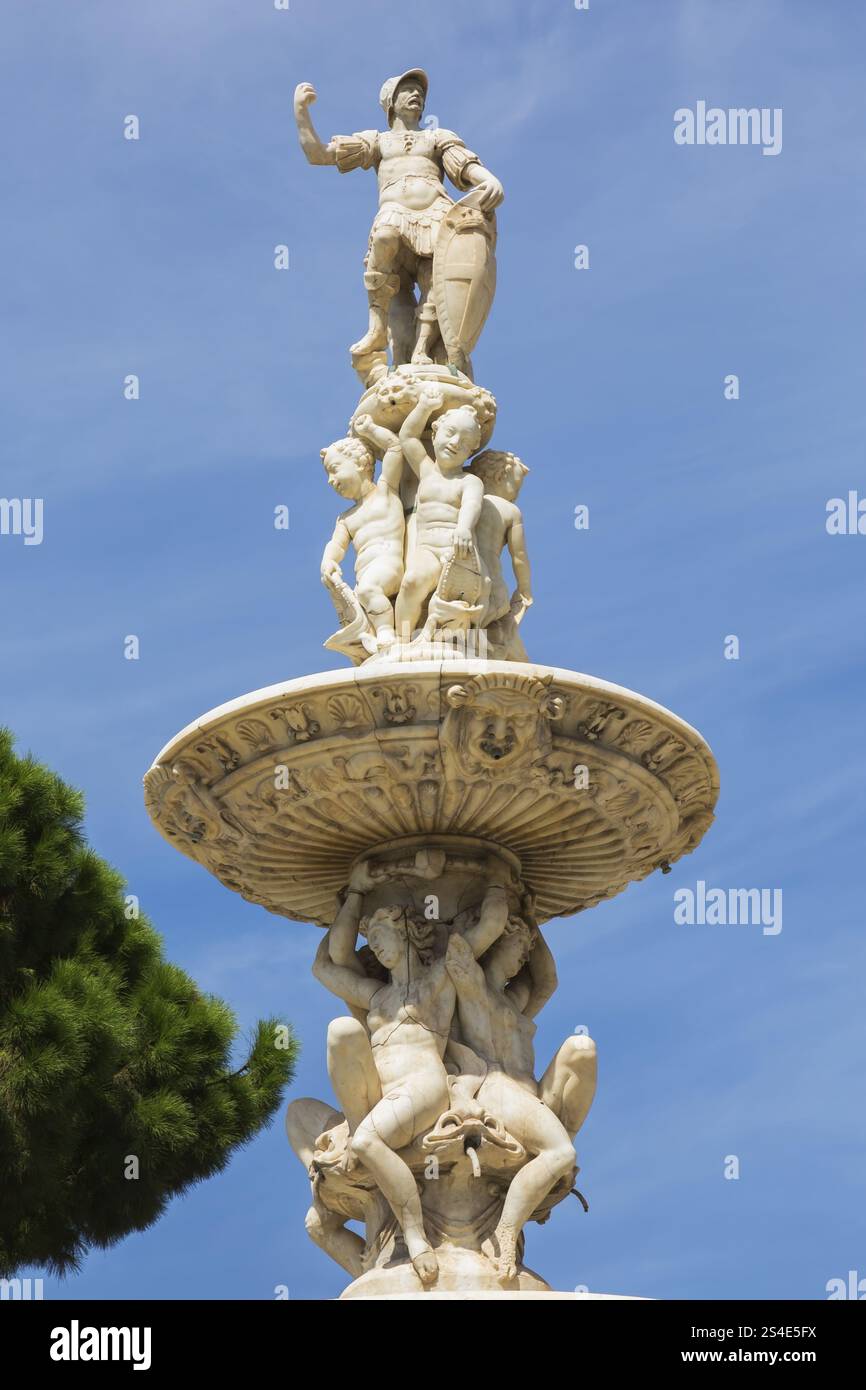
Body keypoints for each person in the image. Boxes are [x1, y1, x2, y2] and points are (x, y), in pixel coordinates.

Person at [293, 69, 504, 370]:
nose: (416, 94)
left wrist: (489, 180)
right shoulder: (377, 142)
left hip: (436, 215)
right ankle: (377, 327)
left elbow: (466, 166)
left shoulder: (436, 137)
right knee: (384, 238)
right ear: (391, 101)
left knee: (436, 280)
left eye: (419, 91)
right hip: (394, 212)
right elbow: (318, 154)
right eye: (408, 89)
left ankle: (423, 349)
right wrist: (301, 113)